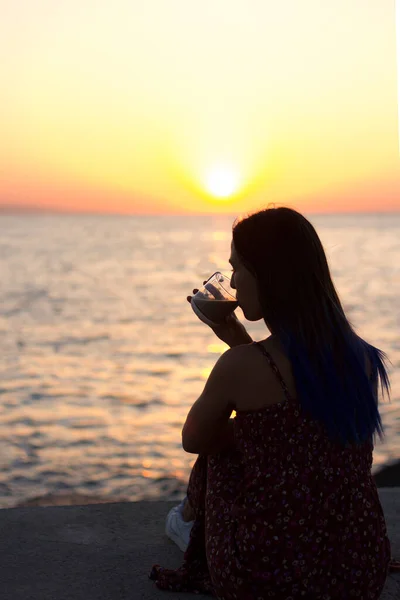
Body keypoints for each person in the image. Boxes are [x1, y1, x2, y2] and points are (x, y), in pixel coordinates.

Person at [149, 206, 398, 599]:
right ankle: (188, 518)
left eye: (238, 268)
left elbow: (194, 438)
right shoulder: (363, 357)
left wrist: (237, 353)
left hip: (264, 575)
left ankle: (187, 522)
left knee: (227, 445)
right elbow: (305, 426)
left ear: (268, 276)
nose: (231, 281)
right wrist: (239, 341)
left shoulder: (240, 366)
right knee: (265, 435)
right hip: (358, 566)